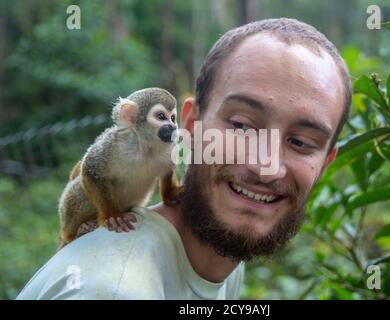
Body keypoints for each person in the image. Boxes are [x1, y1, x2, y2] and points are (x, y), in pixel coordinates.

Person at [17, 17, 352, 300]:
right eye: (240, 126)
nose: (266, 167)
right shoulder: (113, 289)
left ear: (325, 163)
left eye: (300, 142)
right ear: (191, 127)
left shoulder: (222, 260)